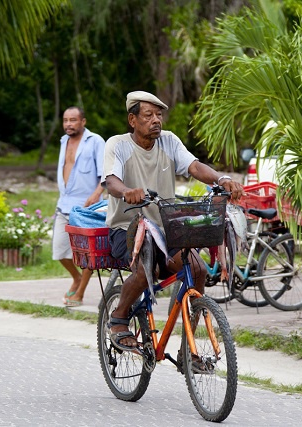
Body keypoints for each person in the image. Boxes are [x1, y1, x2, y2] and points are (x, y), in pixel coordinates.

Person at [102, 91, 244, 352]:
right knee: (147, 271)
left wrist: (221, 180)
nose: (156, 120)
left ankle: (189, 342)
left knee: (199, 270)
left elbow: (194, 167)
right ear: (132, 120)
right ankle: (119, 318)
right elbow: (111, 180)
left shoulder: (168, 141)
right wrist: (126, 192)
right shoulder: (118, 144)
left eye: (159, 115)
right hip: (126, 229)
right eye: (148, 115)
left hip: (165, 229)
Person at [53, 106, 105, 307]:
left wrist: (96, 195)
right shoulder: (63, 141)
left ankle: (80, 293)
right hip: (64, 205)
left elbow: (105, 174)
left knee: (87, 254)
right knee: (58, 251)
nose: (68, 124)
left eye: (73, 120)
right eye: (65, 120)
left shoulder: (96, 142)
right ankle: (76, 278)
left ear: (83, 121)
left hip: (86, 207)